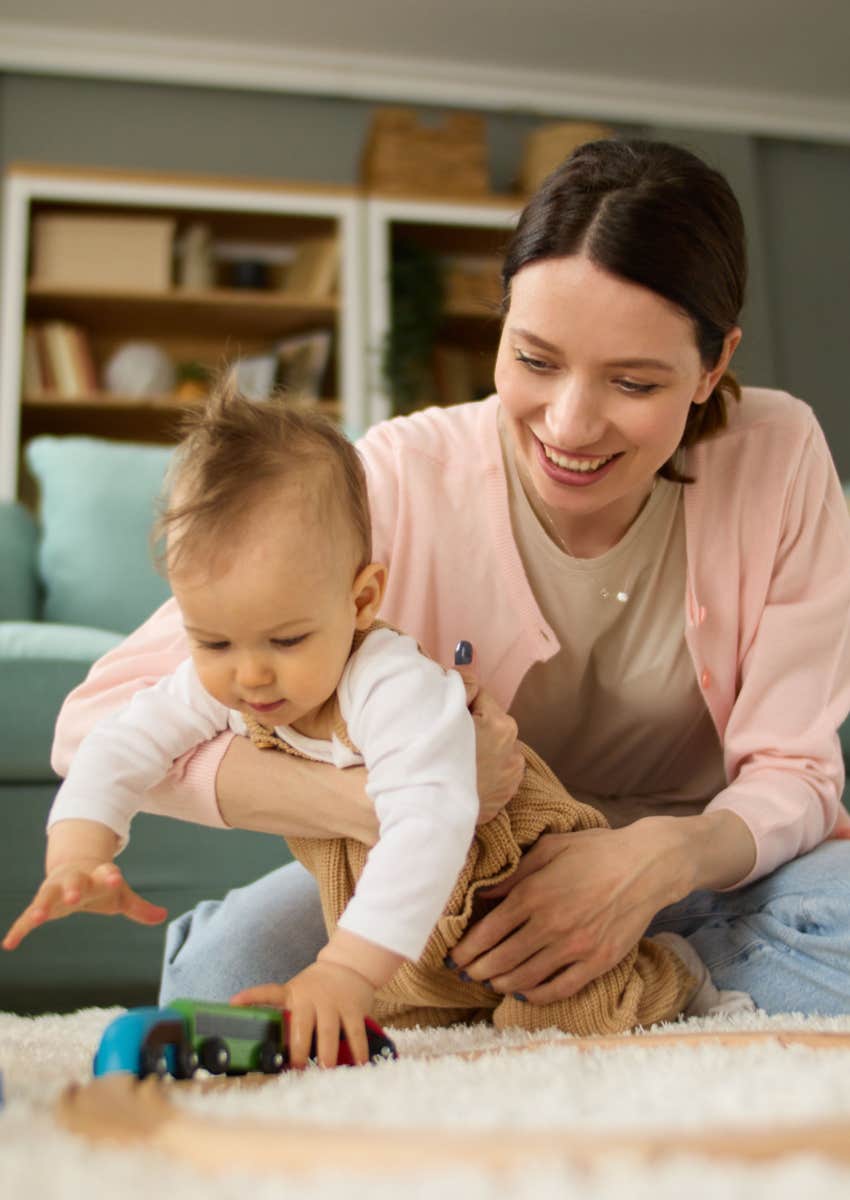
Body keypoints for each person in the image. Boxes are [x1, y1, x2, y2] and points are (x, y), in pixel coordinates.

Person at [44, 138, 850, 1020]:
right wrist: (384, 802)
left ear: (714, 365)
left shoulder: (778, 453)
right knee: (224, 977)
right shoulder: (390, 477)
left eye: (632, 381)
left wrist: (653, 863)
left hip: (694, 871)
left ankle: (621, 982)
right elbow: (93, 726)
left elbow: (795, 772)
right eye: (536, 360)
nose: (571, 425)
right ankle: (605, 1002)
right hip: (441, 871)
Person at [5, 382, 740, 1053]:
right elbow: (119, 744)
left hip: (502, 881)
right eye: (213, 641)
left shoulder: (388, 681)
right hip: (397, 914)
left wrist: (343, 970)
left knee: (564, 1015)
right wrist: (78, 852)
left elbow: (427, 826)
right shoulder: (223, 680)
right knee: (358, 1017)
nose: (250, 674)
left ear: (360, 600)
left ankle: (673, 967)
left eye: (286, 640)